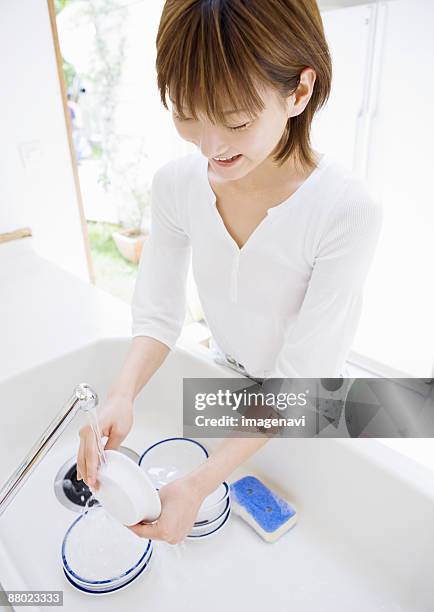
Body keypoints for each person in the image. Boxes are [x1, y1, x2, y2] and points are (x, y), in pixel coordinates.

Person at [76, 0, 383, 544]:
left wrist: (198, 483)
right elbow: (158, 312)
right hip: (230, 385)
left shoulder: (345, 210)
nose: (211, 146)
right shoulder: (177, 184)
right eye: (187, 115)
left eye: (236, 121)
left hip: (314, 405)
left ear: (299, 91)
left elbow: (298, 382)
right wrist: (122, 393)